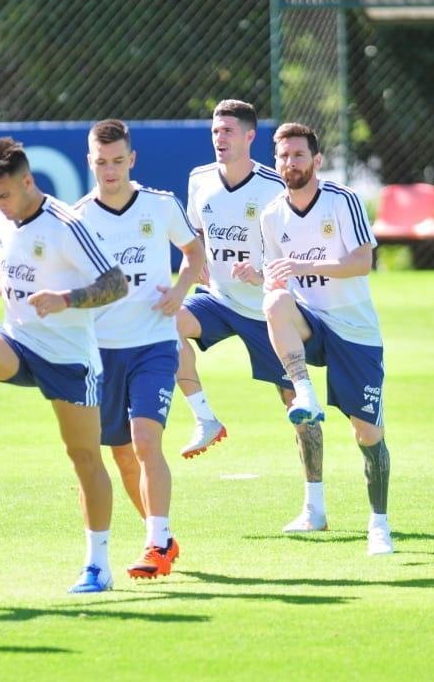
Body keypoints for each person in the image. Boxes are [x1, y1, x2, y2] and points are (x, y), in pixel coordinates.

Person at [0, 136, 127, 594]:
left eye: (4, 195)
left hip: (67, 359)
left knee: (84, 458)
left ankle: (98, 565)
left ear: (27, 181)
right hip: (17, 343)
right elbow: (10, 270)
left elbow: (116, 283)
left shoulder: (66, 224)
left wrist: (65, 299)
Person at [177, 99, 329, 533]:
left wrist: (262, 273)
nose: (219, 138)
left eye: (228, 131)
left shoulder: (273, 187)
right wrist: (198, 257)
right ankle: (206, 418)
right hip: (219, 301)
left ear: (249, 137)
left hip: (268, 309)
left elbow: (298, 250)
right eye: (214, 131)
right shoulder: (199, 180)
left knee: (298, 407)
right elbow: (197, 233)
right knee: (164, 325)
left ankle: (314, 507)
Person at [76, 119, 205, 578]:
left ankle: (154, 542)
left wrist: (181, 289)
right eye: (101, 163)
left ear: (131, 160)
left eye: (117, 161)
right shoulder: (78, 219)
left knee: (146, 441)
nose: (110, 171)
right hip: (102, 352)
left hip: (153, 343)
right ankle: (162, 538)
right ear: (90, 162)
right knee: (122, 455)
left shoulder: (160, 205)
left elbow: (194, 252)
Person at [259, 122, 393, 555]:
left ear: (316, 160)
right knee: (274, 304)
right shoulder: (271, 214)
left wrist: (298, 266)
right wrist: (262, 278)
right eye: (282, 156)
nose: (290, 163)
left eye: (298, 155)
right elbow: (276, 280)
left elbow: (361, 262)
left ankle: (379, 525)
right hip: (311, 322)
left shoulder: (343, 200)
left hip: (354, 330)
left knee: (368, 434)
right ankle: (305, 393)